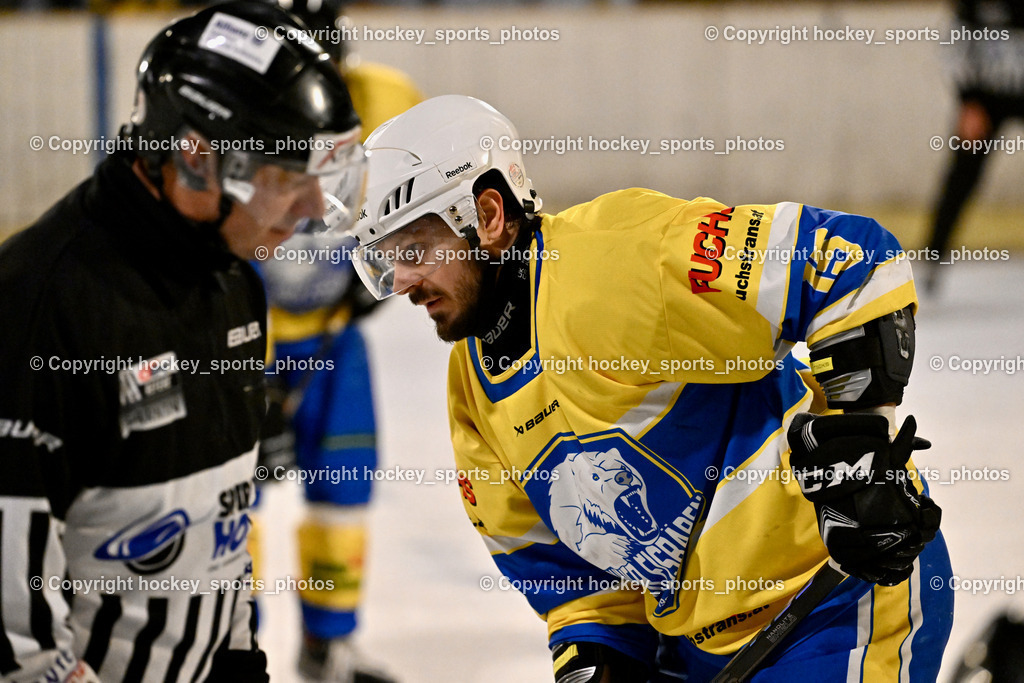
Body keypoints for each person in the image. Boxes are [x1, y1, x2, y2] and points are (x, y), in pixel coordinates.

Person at [344, 95, 954, 681]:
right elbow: (571, 583)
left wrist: (862, 460)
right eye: (388, 258)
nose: (401, 282)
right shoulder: (472, 394)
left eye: (416, 248)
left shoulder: (618, 260)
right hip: (699, 648)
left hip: (837, 602)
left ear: (489, 216)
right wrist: (596, 663)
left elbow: (849, 261)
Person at [0, 2, 367, 681]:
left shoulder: (235, 283)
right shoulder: (35, 307)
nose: (317, 208)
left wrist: (238, 658)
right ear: (196, 159)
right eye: (288, 177)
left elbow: (222, 536)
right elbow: (11, 634)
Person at [245, 1, 422, 681]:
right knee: (237, 508)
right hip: (243, 345)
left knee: (344, 495)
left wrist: (380, 271)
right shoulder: (231, 118)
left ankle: (327, 646)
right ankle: (238, 649)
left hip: (333, 340)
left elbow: (419, 201)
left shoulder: (388, 101)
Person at [924, 0, 1024, 293]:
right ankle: (934, 258)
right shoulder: (974, 4)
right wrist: (967, 100)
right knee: (961, 177)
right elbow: (953, 45)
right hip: (986, 97)